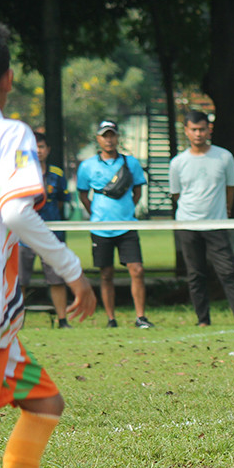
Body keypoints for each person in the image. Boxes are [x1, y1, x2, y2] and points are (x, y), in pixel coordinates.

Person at [0, 20, 97, 468]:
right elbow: (15, 213)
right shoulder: (7, 134)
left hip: (0, 333)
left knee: (45, 400)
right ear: (6, 78)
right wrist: (72, 270)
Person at [170, 111, 234, 328]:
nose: (198, 134)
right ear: (186, 131)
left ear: (209, 129)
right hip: (187, 224)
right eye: (194, 129)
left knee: (228, 271)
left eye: (202, 129)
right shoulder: (178, 163)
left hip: (216, 224)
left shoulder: (224, 157)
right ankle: (203, 320)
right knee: (195, 273)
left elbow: (231, 187)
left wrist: (224, 209)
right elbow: (176, 194)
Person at [77, 119, 154, 328]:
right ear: (98, 139)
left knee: (137, 269)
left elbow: (138, 190)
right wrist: (95, 214)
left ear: (118, 137)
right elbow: (83, 194)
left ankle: (141, 317)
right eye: (104, 135)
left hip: (127, 225)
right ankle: (111, 318)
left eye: (112, 135)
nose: (109, 140)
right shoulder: (88, 166)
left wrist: (129, 209)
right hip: (100, 228)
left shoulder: (131, 163)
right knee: (106, 273)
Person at [19, 132, 74, 328]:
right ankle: (17, 321)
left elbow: (61, 202)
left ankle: (62, 320)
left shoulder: (57, 175)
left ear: (48, 150)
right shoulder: (21, 172)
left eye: (41, 147)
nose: (39, 151)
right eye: (35, 147)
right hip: (23, 236)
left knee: (56, 279)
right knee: (20, 281)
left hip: (50, 235)